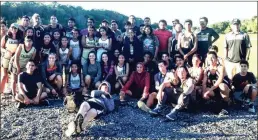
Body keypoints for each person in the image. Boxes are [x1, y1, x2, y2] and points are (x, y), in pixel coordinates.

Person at [0, 23, 22, 95]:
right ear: (10, 28)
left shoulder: (20, 37)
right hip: (6, 58)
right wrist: (6, 51)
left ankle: (14, 92)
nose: (14, 29)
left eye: (15, 28)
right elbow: (1, 47)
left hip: (15, 58)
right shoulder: (6, 37)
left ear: (17, 29)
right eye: (12, 28)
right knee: (4, 75)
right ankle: (1, 91)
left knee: (14, 75)